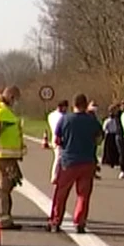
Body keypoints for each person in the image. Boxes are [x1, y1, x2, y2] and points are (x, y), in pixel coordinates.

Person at [48, 94, 103, 233]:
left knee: (61, 193)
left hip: (69, 162)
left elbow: (57, 140)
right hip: (87, 161)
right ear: (85, 105)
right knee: (83, 194)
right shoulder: (92, 121)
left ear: (73, 105)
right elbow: (99, 138)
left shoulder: (65, 119)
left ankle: (55, 221)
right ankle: (80, 222)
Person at [0, 85, 27, 230]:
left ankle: (5, 216)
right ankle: (4, 218)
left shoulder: (5, 112)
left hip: (8, 157)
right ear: (11, 97)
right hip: (3, 157)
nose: (16, 102)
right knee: (4, 187)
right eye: (16, 99)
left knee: (10, 183)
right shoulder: (2, 113)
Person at [101, 105, 124, 171]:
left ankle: (116, 161)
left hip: (115, 134)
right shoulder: (107, 120)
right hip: (109, 135)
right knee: (109, 149)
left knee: (115, 149)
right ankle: (109, 161)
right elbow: (104, 128)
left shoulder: (117, 119)